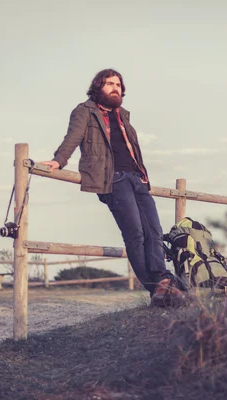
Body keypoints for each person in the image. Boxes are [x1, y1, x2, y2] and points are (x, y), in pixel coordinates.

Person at [40, 68, 184, 307]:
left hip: (137, 179)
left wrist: (143, 176)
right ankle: (156, 288)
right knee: (135, 234)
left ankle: (163, 282)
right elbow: (72, 138)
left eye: (118, 84)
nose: (115, 87)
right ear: (98, 87)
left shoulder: (123, 115)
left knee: (155, 232)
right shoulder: (84, 111)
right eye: (109, 83)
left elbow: (133, 149)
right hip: (112, 179)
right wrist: (59, 161)